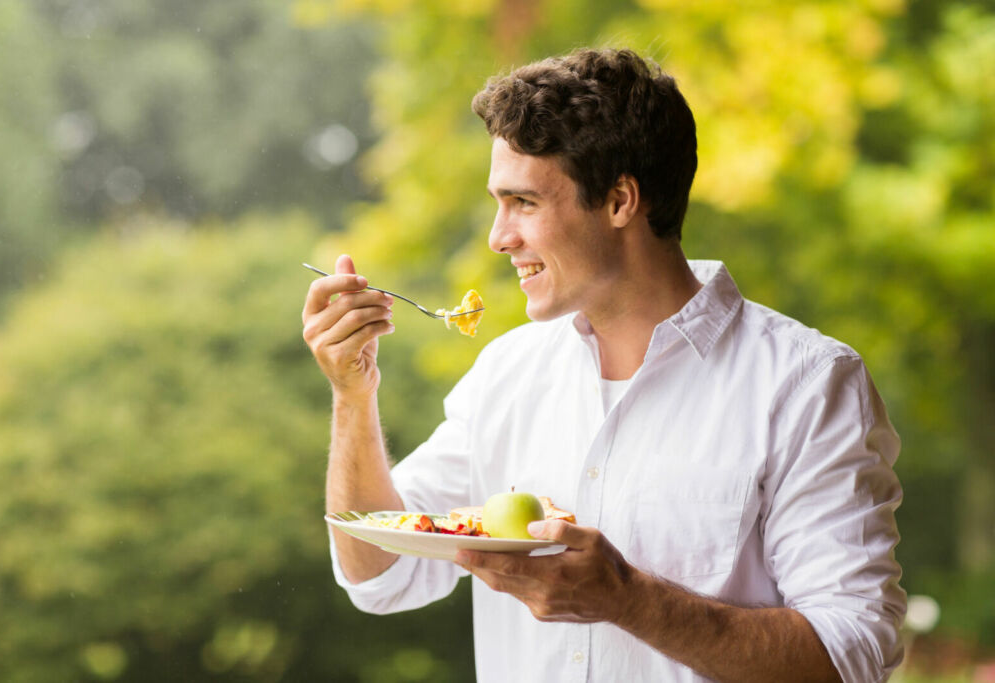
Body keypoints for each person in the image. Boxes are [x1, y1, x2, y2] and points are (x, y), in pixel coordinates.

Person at [301, 48, 906, 683]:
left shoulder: (808, 384)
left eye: (524, 202)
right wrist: (352, 391)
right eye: (497, 203)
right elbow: (379, 572)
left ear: (620, 201)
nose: (498, 237)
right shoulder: (506, 372)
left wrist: (629, 600)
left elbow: (851, 655)